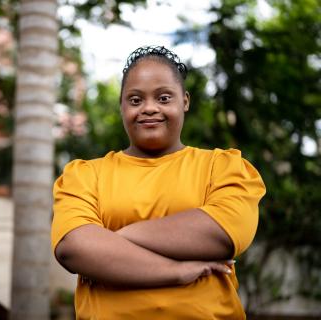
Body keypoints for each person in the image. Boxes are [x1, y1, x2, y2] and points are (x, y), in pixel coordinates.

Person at [51, 45, 266, 319]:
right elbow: (73, 247)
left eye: (164, 98)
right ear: (122, 106)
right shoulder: (83, 175)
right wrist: (175, 272)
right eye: (135, 100)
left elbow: (221, 233)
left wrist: (109, 242)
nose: (149, 108)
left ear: (184, 101)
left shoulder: (223, 167)